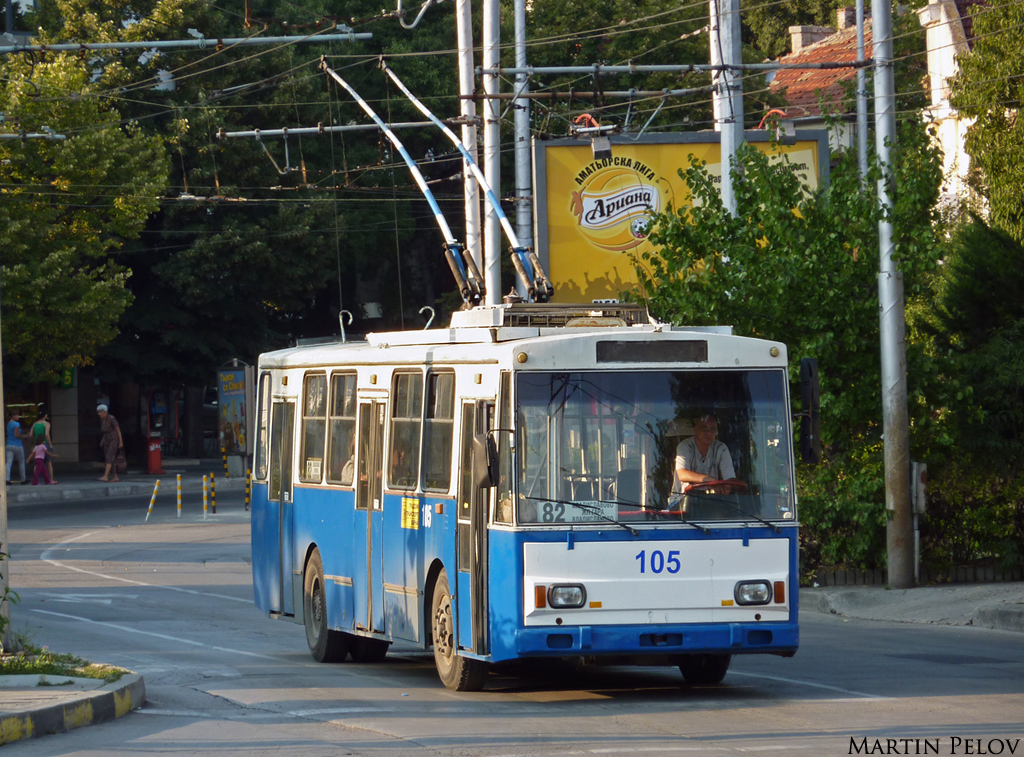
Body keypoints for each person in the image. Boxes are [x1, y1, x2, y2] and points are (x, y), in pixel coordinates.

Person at [670, 413, 737, 501]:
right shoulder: (685, 446)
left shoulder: (721, 448)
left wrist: (727, 486)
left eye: (712, 429)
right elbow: (682, 474)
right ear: (696, 430)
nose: (709, 433)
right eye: (704, 428)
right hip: (682, 504)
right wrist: (711, 481)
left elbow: (730, 478)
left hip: (712, 504)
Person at [97, 404, 124, 482]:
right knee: (110, 459)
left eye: (101, 412)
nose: (99, 414)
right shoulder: (102, 420)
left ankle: (105, 476)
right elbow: (105, 431)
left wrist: (121, 442)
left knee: (110, 457)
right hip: (106, 439)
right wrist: (102, 440)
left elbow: (118, 430)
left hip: (113, 439)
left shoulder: (111, 418)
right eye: (98, 412)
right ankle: (115, 476)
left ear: (105, 412)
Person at [31, 409, 58, 484]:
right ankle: (51, 479)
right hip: (45, 443)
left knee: (37, 464)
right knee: (49, 462)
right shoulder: (46, 424)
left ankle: (36, 480)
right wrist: (50, 444)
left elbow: (30, 435)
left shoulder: (34, 424)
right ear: (45, 416)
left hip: (37, 444)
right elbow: (46, 434)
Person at [5, 410, 28, 485]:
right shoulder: (16, 424)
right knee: (21, 462)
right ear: (13, 416)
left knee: (8, 463)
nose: (18, 416)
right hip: (17, 445)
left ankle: (7, 479)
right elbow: (16, 435)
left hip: (9, 444)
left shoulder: (8, 424)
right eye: (17, 415)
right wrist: (24, 436)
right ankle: (23, 479)